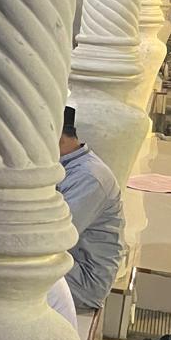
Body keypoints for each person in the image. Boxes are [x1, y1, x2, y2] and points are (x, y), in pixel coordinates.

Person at [58, 106, 125, 310]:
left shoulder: (89, 177)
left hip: (85, 280)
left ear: (57, 137)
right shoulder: (67, 165)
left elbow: (53, 237)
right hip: (70, 264)